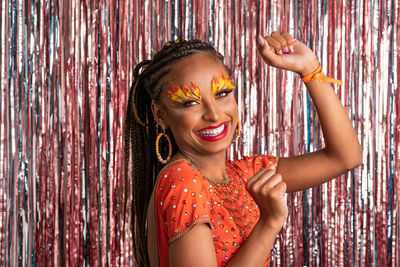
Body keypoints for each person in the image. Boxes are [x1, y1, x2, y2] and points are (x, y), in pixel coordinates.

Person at [124, 32, 362, 267]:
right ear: (160, 114)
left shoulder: (242, 175)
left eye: (222, 93)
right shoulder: (184, 180)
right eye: (190, 102)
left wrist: (310, 69)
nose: (214, 114)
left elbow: (345, 157)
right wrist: (269, 223)